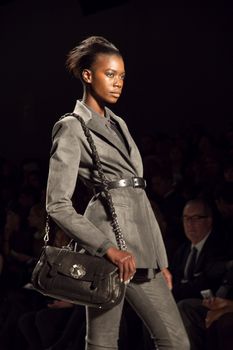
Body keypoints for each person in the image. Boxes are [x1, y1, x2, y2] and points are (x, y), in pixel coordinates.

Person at [46, 35, 189, 349]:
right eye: (109, 74)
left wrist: (160, 260)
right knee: (102, 343)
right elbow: (56, 204)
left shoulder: (119, 124)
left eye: (121, 75)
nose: (118, 82)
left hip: (143, 252)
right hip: (108, 255)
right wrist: (106, 248)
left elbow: (137, 192)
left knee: (176, 342)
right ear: (87, 75)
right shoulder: (72, 127)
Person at [170, 198, 226, 302]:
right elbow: (172, 278)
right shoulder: (182, 250)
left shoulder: (219, 248)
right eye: (186, 218)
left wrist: (172, 291)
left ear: (209, 220)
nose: (190, 223)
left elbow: (205, 284)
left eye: (196, 218)